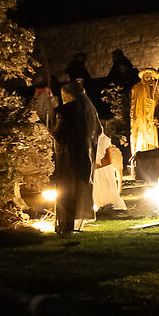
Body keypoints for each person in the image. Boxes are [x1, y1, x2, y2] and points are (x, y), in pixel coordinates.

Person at [50, 82, 92, 233]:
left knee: (66, 189)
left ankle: (66, 225)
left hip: (69, 154)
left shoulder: (70, 110)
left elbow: (59, 133)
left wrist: (52, 120)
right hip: (80, 152)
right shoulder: (84, 108)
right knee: (73, 189)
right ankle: (69, 224)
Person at [90, 124, 125, 218]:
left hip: (104, 167)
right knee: (98, 186)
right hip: (98, 168)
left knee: (107, 184)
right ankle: (99, 203)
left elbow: (105, 155)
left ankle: (107, 202)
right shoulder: (92, 141)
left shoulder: (104, 140)